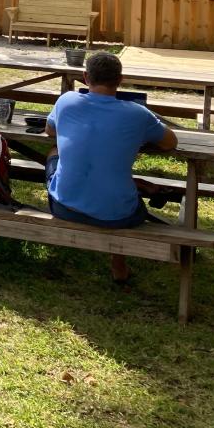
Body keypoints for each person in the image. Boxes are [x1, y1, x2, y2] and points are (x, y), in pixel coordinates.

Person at [45, 51, 178, 283]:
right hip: (117, 215)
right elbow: (170, 143)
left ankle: (136, 187)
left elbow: (50, 131)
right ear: (120, 80)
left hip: (64, 206)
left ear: (86, 77)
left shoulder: (66, 100)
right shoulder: (138, 114)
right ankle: (118, 262)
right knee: (116, 187)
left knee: (54, 153)